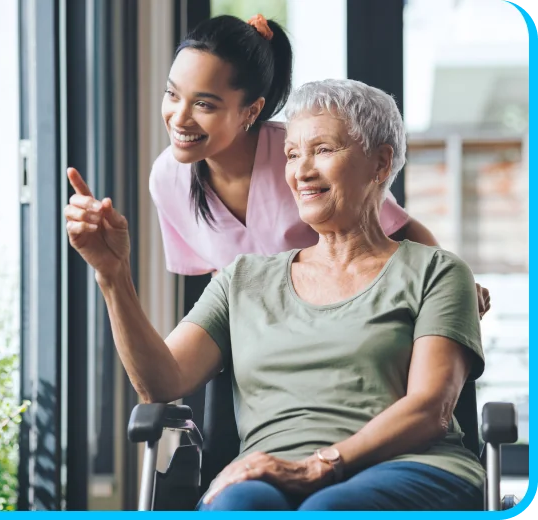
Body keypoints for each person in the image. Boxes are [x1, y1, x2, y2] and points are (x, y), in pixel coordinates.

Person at [64, 78, 485, 511]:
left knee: (328, 508)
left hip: (411, 467)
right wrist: (113, 276)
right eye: (291, 153)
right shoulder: (243, 278)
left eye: (322, 149)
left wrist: (318, 466)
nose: (301, 170)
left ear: (380, 163)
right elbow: (160, 381)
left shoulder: (437, 271)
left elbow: (431, 408)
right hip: (266, 474)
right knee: (238, 506)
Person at [148, 13, 491, 315]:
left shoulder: (302, 156)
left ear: (251, 111)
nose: (179, 118)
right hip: (253, 341)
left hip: (339, 322)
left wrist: (456, 284)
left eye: (204, 105)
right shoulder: (167, 179)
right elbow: (216, 277)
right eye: (172, 94)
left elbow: (400, 228)